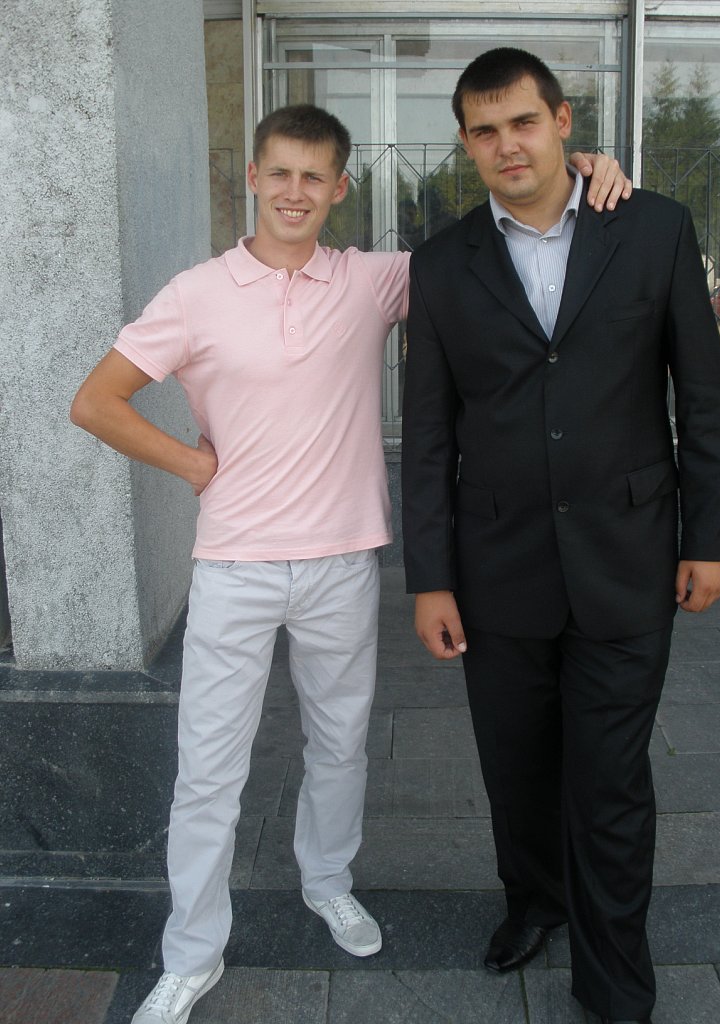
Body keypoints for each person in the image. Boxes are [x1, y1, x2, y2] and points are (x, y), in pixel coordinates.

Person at [70, 101, 630, 1024]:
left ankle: (327, 882)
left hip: (341, 562)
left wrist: (584, 168)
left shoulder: (375, 280)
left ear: (339, 189)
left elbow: (488, 247)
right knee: (208, 770)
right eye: (279, 174)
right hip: (236, 566)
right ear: (253, 180)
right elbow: (97, 401)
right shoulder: (196, 293)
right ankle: (192, 951)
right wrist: (195, 466)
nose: (295, 192)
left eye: (314, 177)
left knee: (338, 745)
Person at [401, 48, 720, 1024]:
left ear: (561, 122)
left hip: (627, 559)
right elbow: (428, 433)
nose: (506, 144)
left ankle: (615, 981)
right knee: (516, 770)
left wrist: (713, 535)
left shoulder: (653, 228)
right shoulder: (442, 263)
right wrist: (430, 578)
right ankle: (535, 903)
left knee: (610, 782)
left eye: (523, 121)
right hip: (495, 567)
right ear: (466, 144)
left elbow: (703, 396)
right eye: (484, 130)